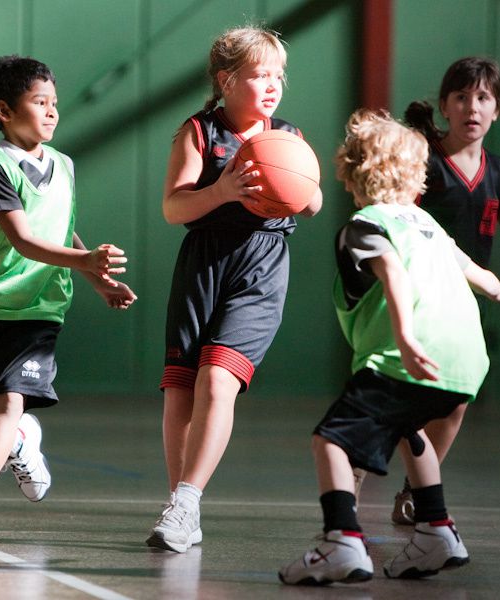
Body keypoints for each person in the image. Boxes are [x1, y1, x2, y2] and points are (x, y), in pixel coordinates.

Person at [279, 109, 500, 585]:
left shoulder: (364, 226)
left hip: (404, 355)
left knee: (331, 440)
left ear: (350, 172)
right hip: (465, 363)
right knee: (412, 430)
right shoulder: (428, 226)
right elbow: (485, 280)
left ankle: (341, 539)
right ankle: (436, 530)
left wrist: (404, 337)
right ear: (417, 177)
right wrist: (498, 288)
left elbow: (393, 275)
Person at [0, 55, 137, 546]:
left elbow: (58, 230)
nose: (51, 113)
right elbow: (24, 240)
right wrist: (86, 260)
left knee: (5, 407)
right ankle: (23, 440)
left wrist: (95, 278)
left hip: (38, 308)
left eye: (54, 103)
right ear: (4, 110)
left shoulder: (63, 165)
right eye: (39, 102)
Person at [148, 25, 322, 553]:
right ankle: (182, 505)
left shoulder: (286, 137)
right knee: (181, 389)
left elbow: (312, 204)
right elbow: (174, 207)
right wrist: (222, 190)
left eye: (278, 76)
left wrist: (297, 184)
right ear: (225, 80)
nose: (272, 85)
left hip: (261, 266)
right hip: (205, 263)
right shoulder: (199, 132)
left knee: (217, 382)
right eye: (259, 75)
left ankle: (187, 500)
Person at [364, 56, 500, 526]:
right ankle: (354, 482)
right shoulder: (424, 162)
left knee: (457, 398)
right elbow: (394, 216)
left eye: (482, 97)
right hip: (420, 294)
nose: (472, 106)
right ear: (445, 105)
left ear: (497, 109)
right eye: (461, 96)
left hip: (464, 300)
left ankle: (412, 488)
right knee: (404, 392)